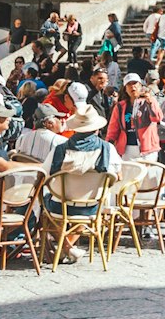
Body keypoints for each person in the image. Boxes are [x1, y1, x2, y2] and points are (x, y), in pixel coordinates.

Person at [43, 106, 121, 263]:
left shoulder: (60, 149)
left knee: (43, 204)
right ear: (97, 129)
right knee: (82, 209)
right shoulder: (108, 149)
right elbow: (118, 176)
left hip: (61, 206)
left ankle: (65, 248)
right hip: (93, 206)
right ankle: (67, 249)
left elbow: (45, 174)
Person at [106, 74, 162, 162]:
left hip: (147, 148)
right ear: (125, 88)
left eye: (135, 83)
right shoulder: (120, 106)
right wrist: (108, 144)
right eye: (129, 84)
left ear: (140, 85)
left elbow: (157, 118)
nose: (133, 87)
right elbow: (113, 128)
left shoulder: (149, 101)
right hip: (127, 148)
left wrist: (150, 102)